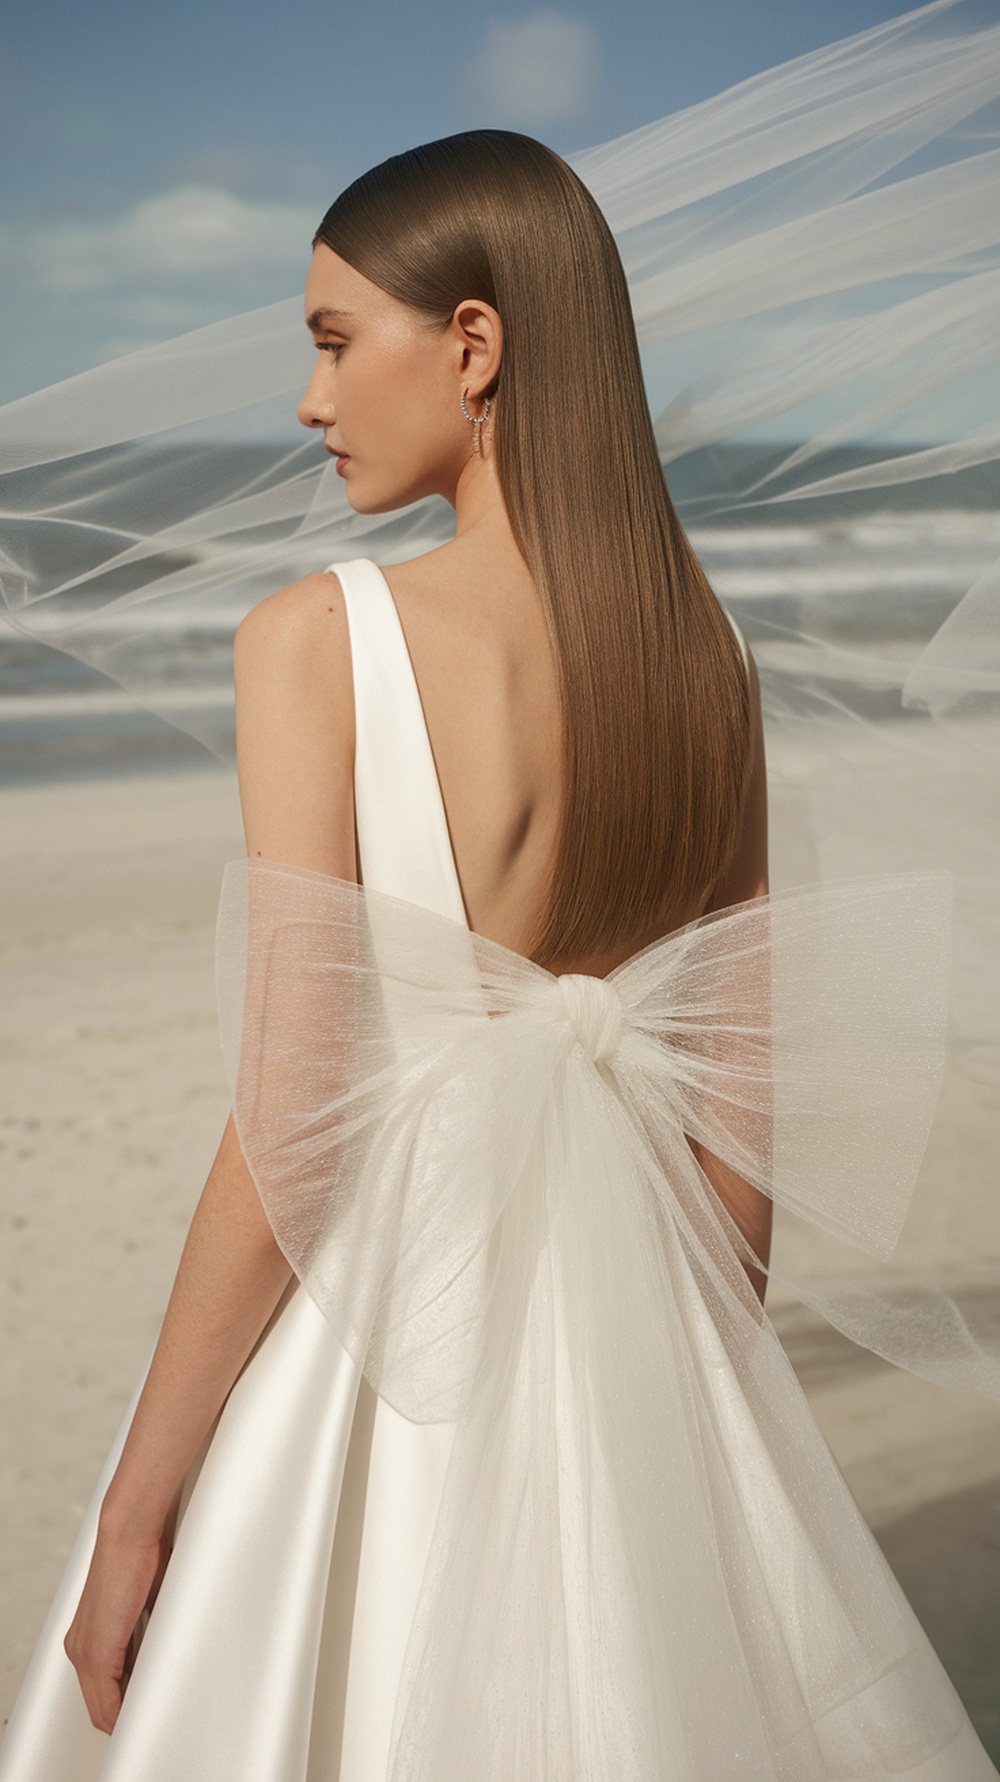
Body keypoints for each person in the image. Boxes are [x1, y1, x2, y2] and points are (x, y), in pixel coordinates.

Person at [2, 123, 998, 1782]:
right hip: (652, 1353)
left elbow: (294, 1119)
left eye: (335, 342)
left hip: (382, 1352)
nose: (309, 402)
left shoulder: (317, 639)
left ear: (473, 344)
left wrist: (136, 1501)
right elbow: (736, 1105)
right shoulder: (707, 658)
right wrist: (701, 1411)